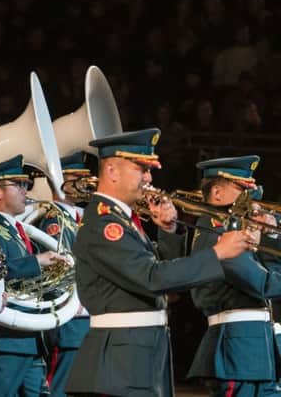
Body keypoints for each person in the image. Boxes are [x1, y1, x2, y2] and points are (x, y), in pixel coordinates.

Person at [65, 128, 253, 396]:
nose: (149, 177)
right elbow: (152, 277)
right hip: (121, 359)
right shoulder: (105, 223)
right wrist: (217, 253)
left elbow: (166, 274)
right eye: (141, 168)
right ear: (112, 171)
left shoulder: (120, 220)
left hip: (137, 351)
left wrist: (168, 232)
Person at [0, 154, 65, 397]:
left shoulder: (16, 229)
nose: (26, 190)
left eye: (26, 184)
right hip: (3, 338)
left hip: (27, 336)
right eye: (19, 184)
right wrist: (37, 261)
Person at [187, 156, 281, 396]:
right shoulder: (217, 233)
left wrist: (269, 235)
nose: (251, 198)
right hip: (237, 349)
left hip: (255, 347)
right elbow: (264, 285)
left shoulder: (231, 230)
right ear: (217, 193)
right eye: (242, 189)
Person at [35, 152, 92, 397]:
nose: (87, 183)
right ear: (61, 181)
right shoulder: (53, 221)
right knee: (61, 388)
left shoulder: (82, 218)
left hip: (86, 317)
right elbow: (54, 273)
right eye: (78, 178)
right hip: (69, 319)